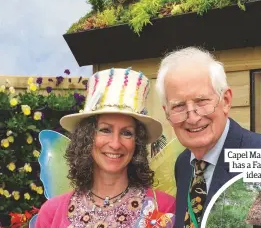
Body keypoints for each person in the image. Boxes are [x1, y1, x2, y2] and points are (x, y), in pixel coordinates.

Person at [155, 47, 261, 228]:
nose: (192, 117)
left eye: (201, 101)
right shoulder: (183, 163)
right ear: (167, 113)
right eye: (178, 106)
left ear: (225, 101)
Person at [36, 67, 176, 228]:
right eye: (105, 130)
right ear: (86, 136)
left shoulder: (165, 208)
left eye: (127, 133)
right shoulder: (51, 213)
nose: (115, 144)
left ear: (137, 141)